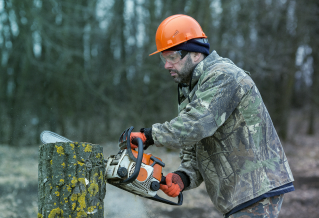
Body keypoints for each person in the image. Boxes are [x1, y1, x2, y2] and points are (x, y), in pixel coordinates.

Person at [128, 14, 294, 218]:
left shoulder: (223, 76)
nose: (167, 65)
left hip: (257, 188)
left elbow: (196, 125)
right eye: (164, 58)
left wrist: (149, 135)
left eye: (172, 57)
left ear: (196, 54)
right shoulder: (190, 88)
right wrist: (183, 177)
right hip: (238, 195)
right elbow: (195, 143)